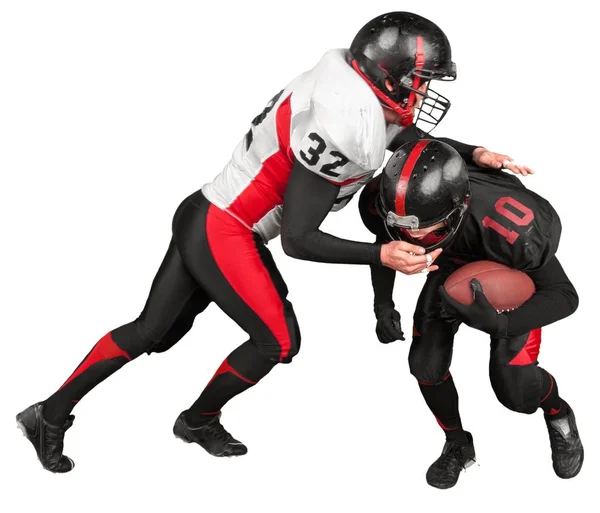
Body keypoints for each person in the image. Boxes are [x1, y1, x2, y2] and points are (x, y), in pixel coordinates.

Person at [17, 11, 523, 473]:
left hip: (211, 212)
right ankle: (192, 419)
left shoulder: (350, 89)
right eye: (417, 81)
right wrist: (380, 254)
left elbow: (400, 137)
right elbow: (300, 241)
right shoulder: (347, 122)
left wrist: (475, 152)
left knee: (151, 330)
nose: (421, 93)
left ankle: (52, 414)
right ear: (385, 76)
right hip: (226, 226)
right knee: (275, 340)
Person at [358, 139, 583, 489]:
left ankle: (559, 415)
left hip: (506, 275)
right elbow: (386, 243)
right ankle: (458, 444)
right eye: (403, 226)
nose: (413, 236)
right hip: (452, 270)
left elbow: (565, 295)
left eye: (427, 228)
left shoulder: (512, 229)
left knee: (515, 393)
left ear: (459, 206)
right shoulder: (387, 199)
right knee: (425, 364)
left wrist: (504, 323)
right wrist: (383, 303)